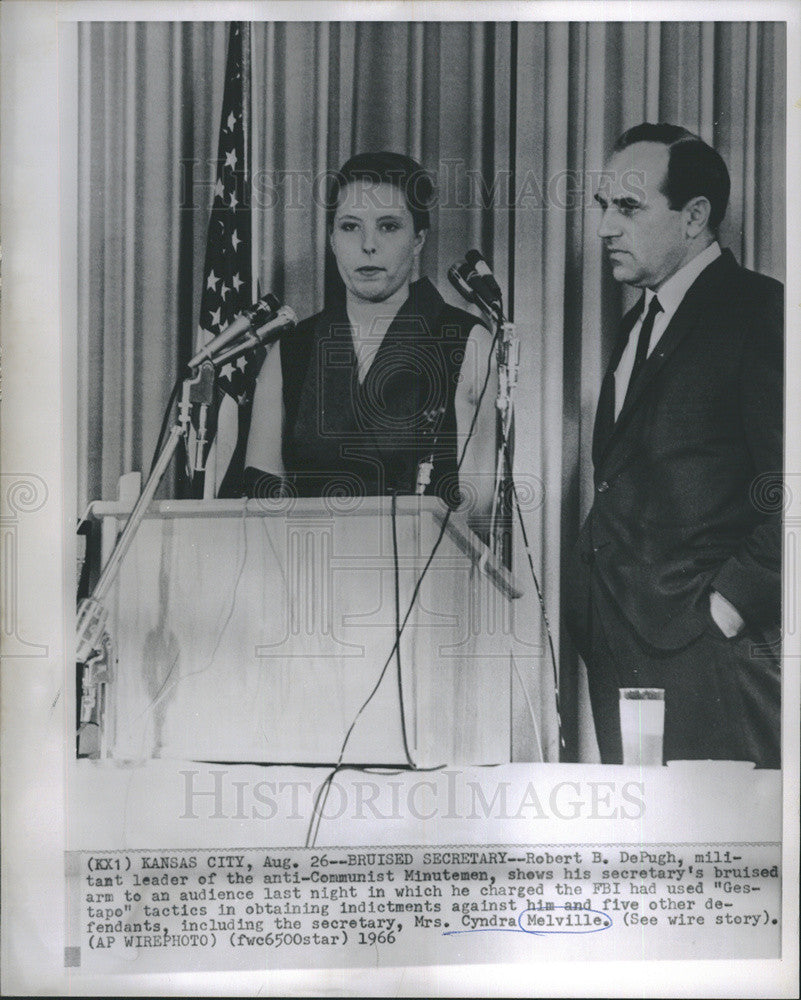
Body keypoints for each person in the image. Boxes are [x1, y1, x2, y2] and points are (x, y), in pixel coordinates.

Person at [564, 123, 783, 767]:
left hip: (711, 656)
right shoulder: (640, 323)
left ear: (694, 217)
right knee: (645, 853)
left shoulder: (760, 312)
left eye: (628, 208)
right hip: (622, 652)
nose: (605, 227)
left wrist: (726, 610)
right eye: (603, 207)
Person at [243, 151, 498, 537]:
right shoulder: (292, 349)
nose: (368, 245)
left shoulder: (466, 341)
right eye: (349, 227)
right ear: (331, 239)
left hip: (426, 585)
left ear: (418, 240)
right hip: (306, 577)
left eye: (389, 226)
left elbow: (478, 511)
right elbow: (259, 499)